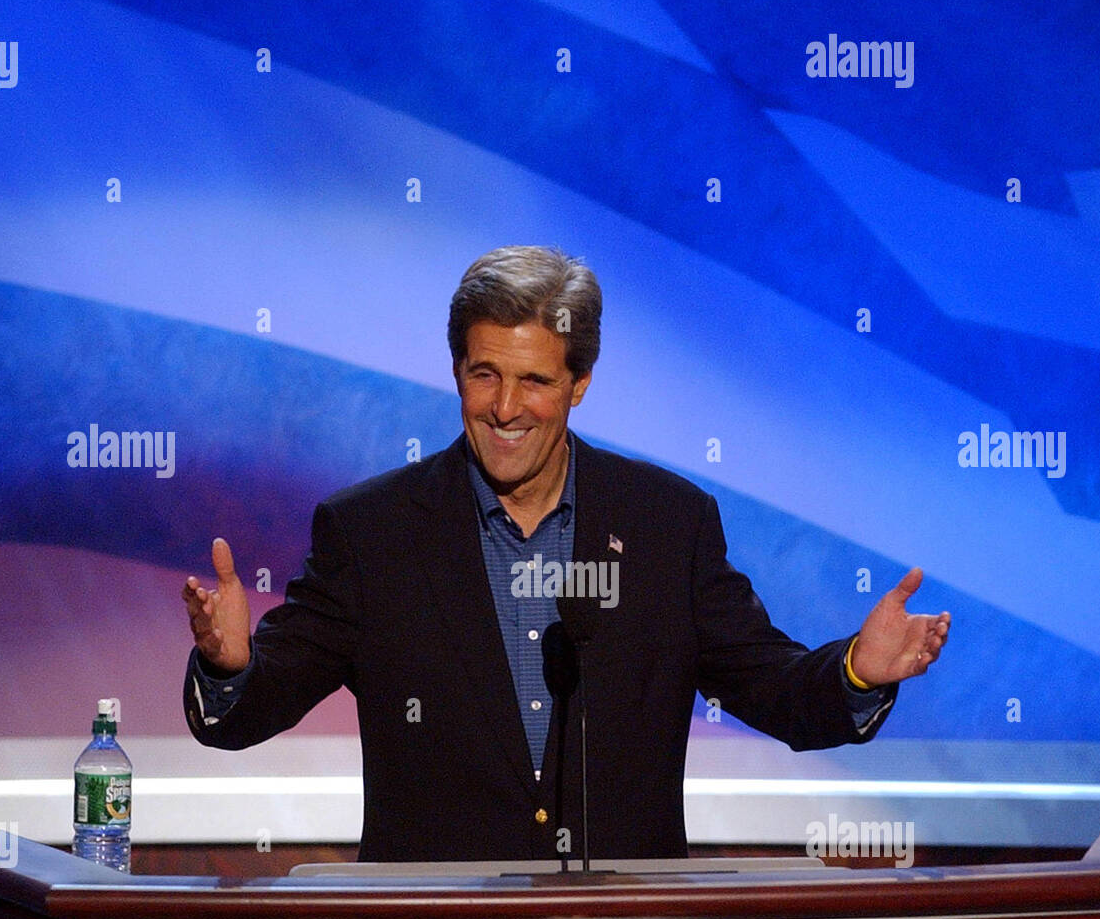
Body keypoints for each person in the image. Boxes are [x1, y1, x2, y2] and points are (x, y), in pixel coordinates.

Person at [181, 246, 949, 861]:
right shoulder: (373, 532)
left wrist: (856, 670)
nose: (506, 408)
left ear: (580, 383)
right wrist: (228, 664)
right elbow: (250, 709)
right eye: (485, 376)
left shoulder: (664, 525)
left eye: (535, 381)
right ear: (457, 372)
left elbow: (773, 687)